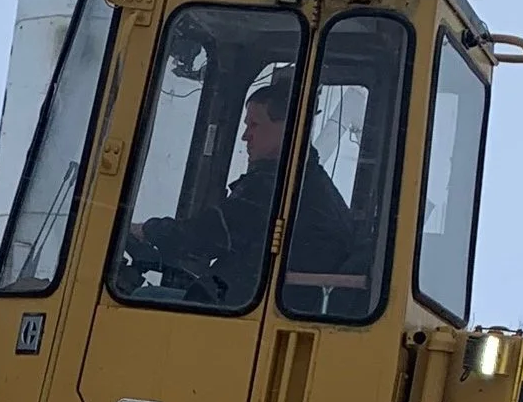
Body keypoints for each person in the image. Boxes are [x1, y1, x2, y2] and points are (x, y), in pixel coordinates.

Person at [125, 76, 360, 304]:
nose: (246, 136)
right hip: (255, 297)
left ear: (287, 127)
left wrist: (147, 230)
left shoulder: (276, 188)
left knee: (137, 301)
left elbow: (204, 235)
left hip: (251, 307)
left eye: (255, 125)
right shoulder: (307, 181)